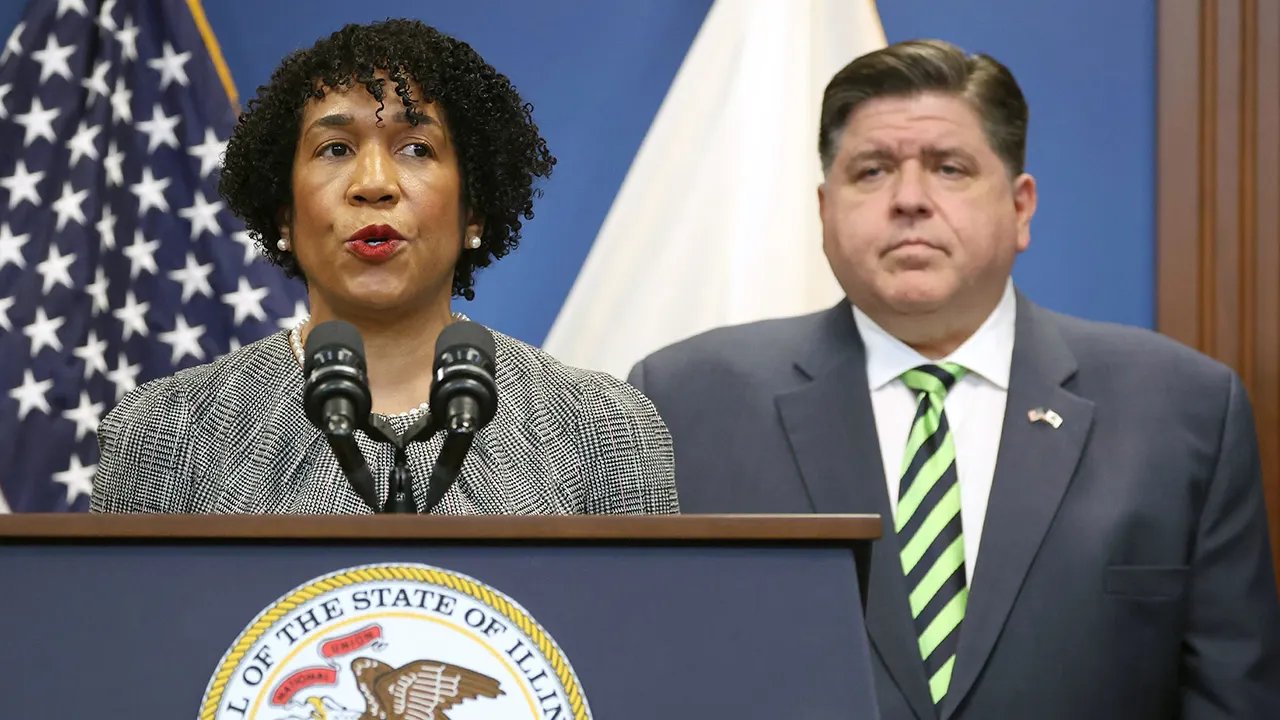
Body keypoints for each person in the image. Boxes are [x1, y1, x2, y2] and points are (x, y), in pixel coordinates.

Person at [629, 39, 1280, 718]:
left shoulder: (1184, 411)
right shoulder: (684, 404)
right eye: (873, 171)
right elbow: (640, 671)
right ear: (824, 211)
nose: (909, 199)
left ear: (1021, 208)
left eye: (949, 168)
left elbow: (1234, 697)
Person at [92, 19, 676, 515]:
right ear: (285, 214)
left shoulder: (605, 433)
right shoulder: (165, 435)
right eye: (335, 149)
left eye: (417, 148)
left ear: (473, 212)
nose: (373, 184)